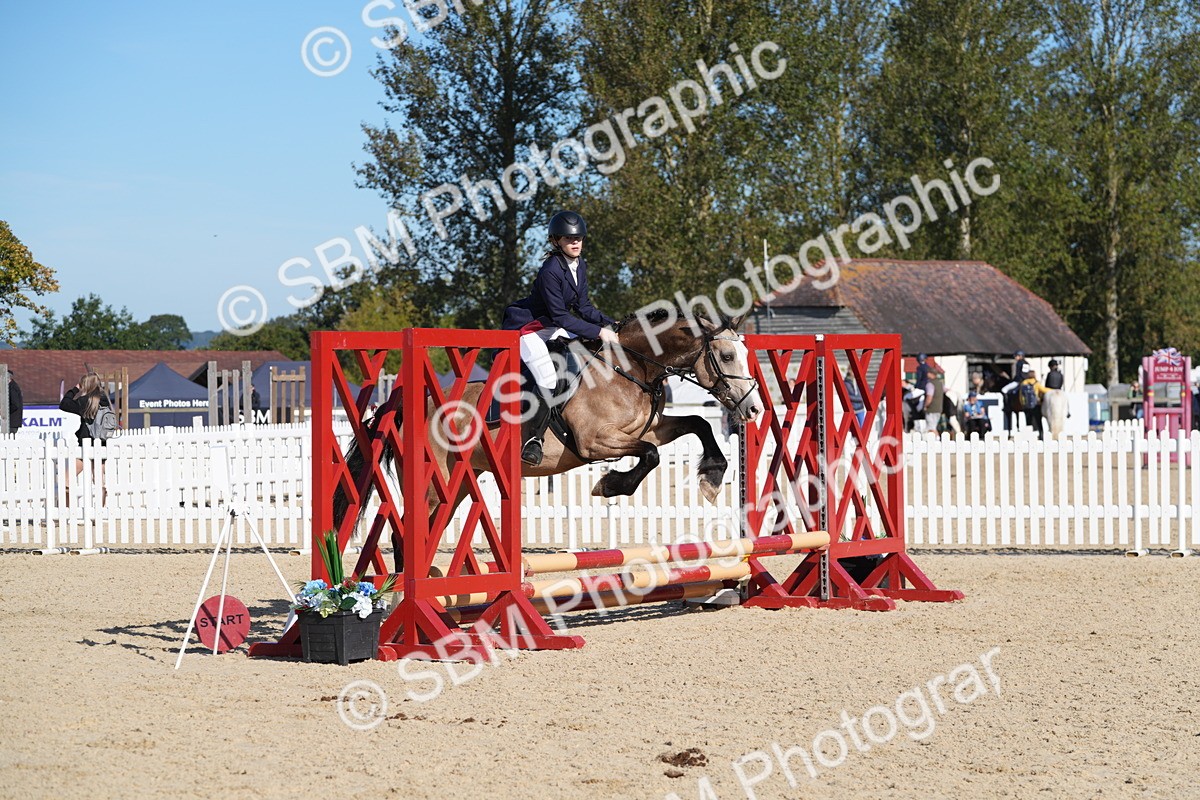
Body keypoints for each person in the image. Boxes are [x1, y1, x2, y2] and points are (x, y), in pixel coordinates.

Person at [501, 211, 618, 466]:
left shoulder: (580, 265)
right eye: (568, 238)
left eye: (579, 238)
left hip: (553, 325)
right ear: (556, 241)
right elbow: (563, 317)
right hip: (528, 329)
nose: (575, 243)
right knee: (548, 377)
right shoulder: (550, 270)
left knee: (583, 365)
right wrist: (599, 332)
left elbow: (584, 307)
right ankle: (533, 440)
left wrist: (611, 323)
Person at [58, 373, 111, 502]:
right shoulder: (105, 401)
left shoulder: (84, 402)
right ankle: (100, 511)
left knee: (67, 478)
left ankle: (67, 510)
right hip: (101, 445)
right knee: (98, 480)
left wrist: (75, 388)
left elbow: (64, 404)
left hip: (86, 446)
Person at [1018, 366, 1050, 440]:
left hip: (1026, 406)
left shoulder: (1023, 383)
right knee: (1038, 421)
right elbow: (1044, 390)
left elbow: (1021, 395)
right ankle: (1041, 435)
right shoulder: (1036, 383)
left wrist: (1023, 404)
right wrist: (1053, 390)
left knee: (1028, 422)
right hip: (1036, 405)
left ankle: (1029, 437)